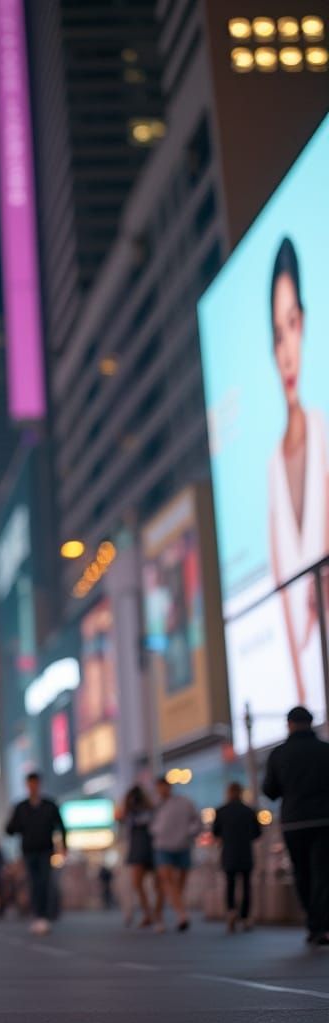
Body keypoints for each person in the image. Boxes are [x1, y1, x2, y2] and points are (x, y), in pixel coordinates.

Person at [267, 238, 329, 707]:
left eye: (292, 325)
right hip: (303, 689)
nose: (287, 349)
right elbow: (286, 608)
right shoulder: (271, 467)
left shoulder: (325, 433)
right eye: (277, 333)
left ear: (304, 326)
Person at [262, 705, 329, 945]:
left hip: (294, 822)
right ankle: (322, 925)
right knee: (322, 873)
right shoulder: (325, 750)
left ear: (289, 724)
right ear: (311, 723)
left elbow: (269, 790)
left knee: (302, 873)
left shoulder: (279, 754)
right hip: (324, 820)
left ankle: (313, 923)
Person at [6, 772, 66, 935]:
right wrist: (19, 826)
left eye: (35, 783)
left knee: (46, 882)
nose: (33, 786)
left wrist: (64, 846)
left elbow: (61, 826)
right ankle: (37, 915)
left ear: (39, 784)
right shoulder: (21, 807)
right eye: (30, 783)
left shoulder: (49, 805)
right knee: (33, 883)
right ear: (27, 785)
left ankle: (46, 916)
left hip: (46, 849)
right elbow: (10, 829)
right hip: (29, 850)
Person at [149, 775, 201, 933]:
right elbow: (149, 824)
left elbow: (197, 822)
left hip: (182, 846)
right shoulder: (154, 805)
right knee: (167, 879)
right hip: (162, 847)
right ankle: (181, 914)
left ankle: (168, 911)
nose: (161, 790)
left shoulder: (184, 802)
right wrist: (156, 831)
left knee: (179, 883)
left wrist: (188, 833)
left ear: (169, 787)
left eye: (163, 786)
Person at [213, 781, 262, 933]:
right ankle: (246, 917)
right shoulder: (249, 811)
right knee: (247, 885)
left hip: (228, 852)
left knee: (230, 884)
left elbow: (216, 832)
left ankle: (231, 911)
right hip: (245, 852)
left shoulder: (221, 811)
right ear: (241, 792)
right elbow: (257, 833)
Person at [119, 784, 161, 928]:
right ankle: (148, 913)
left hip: (150, 848)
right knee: (138, 884)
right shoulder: (131, 813)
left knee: (157, 884)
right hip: (140, 849)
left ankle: (155, 913)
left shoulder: (150, 810)